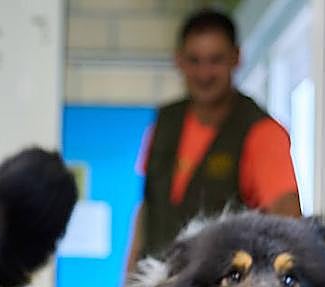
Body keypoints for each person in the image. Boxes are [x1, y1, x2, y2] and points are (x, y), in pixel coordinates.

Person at [126, 7, 301, 271]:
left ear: (236, 58)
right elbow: (148, 212)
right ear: (179, 61)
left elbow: (288, 222)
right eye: (194, 60)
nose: (204, 74)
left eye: (215, 60)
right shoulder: (164, 123)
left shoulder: (262, 133)